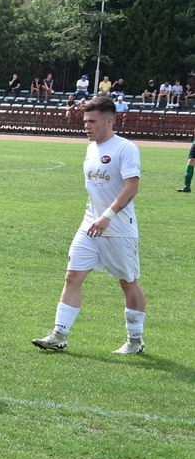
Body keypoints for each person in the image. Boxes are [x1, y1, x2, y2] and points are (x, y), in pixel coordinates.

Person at [32, 97, 145, 355]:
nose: (86, 126)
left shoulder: (125, 148)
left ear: (109, 120)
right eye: (85, 121)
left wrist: (107, 215)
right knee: (72, 276)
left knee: (128, 283)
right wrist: (95, 216)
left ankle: (135, 341)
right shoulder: (91, 148)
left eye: (92, 121)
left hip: (117, 228)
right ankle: (59, 335)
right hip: (90, 225)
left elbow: (132, 187)